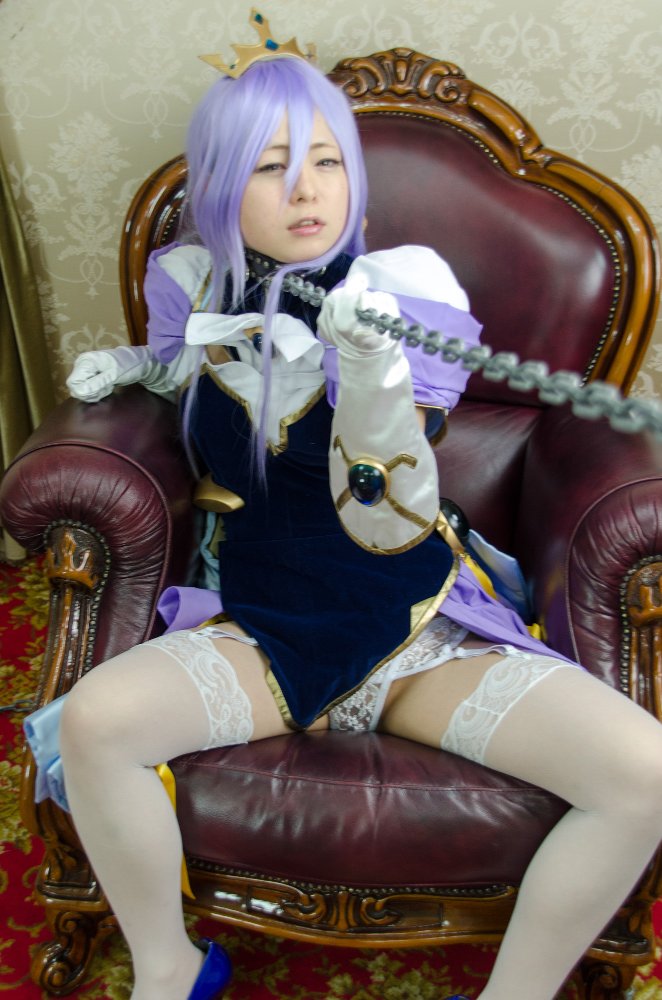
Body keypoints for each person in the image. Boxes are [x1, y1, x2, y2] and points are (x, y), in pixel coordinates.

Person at [24, 11, 662, 1000]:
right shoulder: (190, 283)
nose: (307, 190)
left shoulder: (400, 290)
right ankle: (170, 968)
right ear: (219, 183)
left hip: (412, 630)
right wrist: (133, 366)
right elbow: (184, 371)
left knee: (644, 773)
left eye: (326, 161)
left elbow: (386, 514)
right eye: (271, 165)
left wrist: (368, 368)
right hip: (264, 628)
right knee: (97, 723)